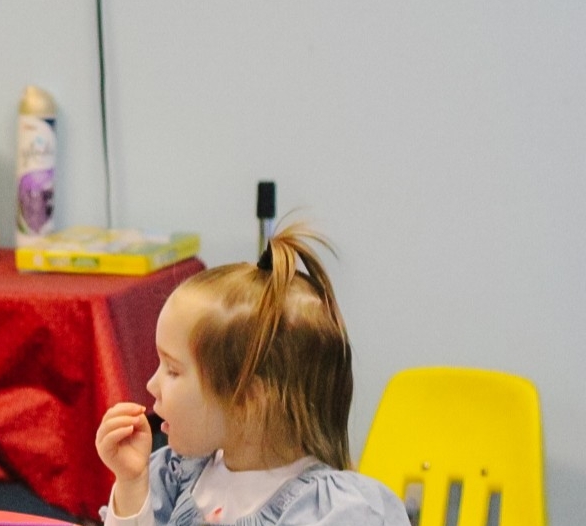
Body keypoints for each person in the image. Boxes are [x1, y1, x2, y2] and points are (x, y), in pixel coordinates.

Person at [94, 224, 408, 525]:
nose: (152, 385)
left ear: (247, 399)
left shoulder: (331, 512)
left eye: (173, 370)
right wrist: (131, 486)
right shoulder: (171, 477)